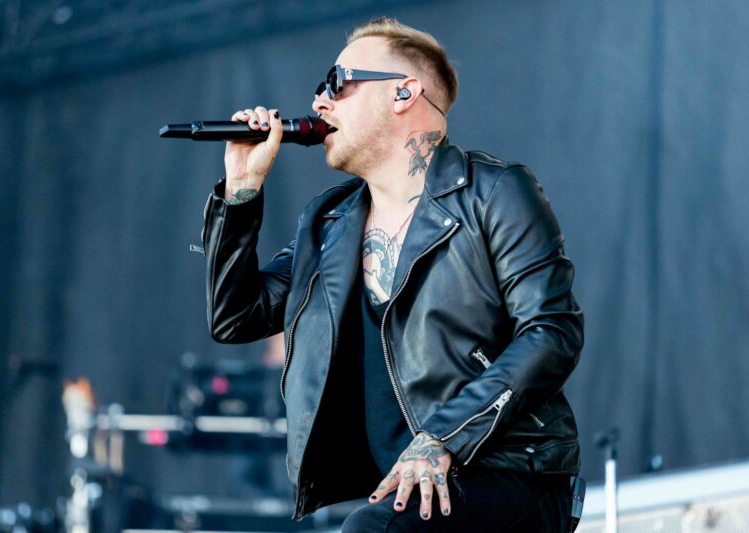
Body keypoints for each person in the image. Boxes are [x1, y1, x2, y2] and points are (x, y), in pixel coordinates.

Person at [202, 17, 584, 532]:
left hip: (512, 471)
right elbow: (236, 317)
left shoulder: (493, 192)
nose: (319, 102)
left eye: (338, 83)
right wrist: (241, 190)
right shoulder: (329, 225)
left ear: (404, 92)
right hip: (410, 491)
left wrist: (443, 436)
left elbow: (551, 331)